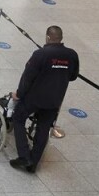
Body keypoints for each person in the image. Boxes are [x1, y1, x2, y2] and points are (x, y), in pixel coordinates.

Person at [10, 26, 79, 173]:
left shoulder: (40, 54)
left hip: (34, 98)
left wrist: (19, 93)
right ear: (61, 38)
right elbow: (73, 76)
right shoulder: (72, 55)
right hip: (54, 100)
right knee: (43, 128)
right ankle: (33, 164)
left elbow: (27, 78)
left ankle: (24, 156)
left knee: (18, 118)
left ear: (48, 37)